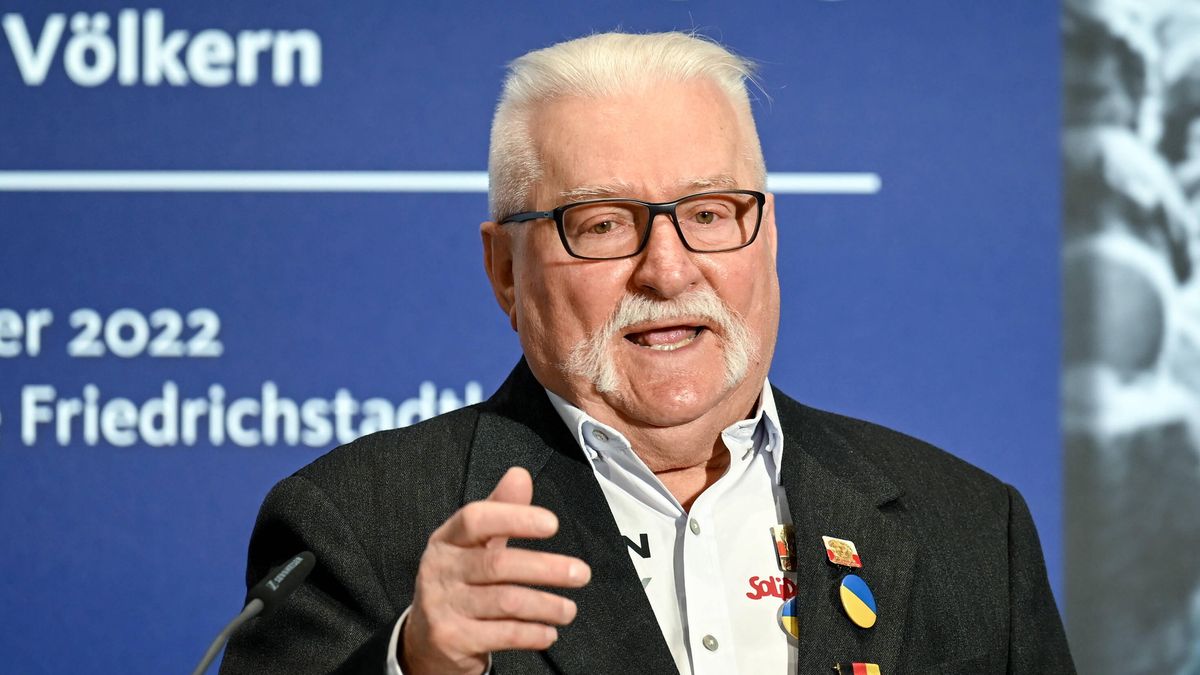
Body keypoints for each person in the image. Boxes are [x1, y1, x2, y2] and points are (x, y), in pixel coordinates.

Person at [220, 31, 1075, 674]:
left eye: (708, 213)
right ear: (505, 270)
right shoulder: (356, 527)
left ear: (768, 236)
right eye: (601, 224)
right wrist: (418, 664)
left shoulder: (970, 527)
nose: (667, 269)